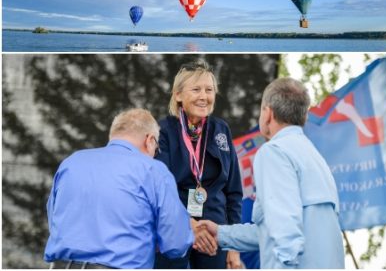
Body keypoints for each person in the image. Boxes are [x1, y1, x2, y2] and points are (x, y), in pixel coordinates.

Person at [194, 78, 344, 268]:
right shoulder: (316, 159)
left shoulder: (274, 151)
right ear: (303, 117)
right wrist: (222, 234)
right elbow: (272, 231)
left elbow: (285, 230)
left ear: (268, 113)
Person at [44, 109, 194, 269]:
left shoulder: (71, 163)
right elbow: (176, 243)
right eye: (156, 149)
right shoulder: (154, 170)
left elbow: (55, 219)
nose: (155, 154)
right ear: (149, 140)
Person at [154, 63, 242, 270]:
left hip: (215, 232)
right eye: (196, 89)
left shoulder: (221, 130)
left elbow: (234, 192)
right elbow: (160, 190)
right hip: (174, 228)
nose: (204, 96)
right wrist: (190, 225)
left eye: (209, 90)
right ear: (178, 95)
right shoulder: (163, 131)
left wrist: (234, 245)